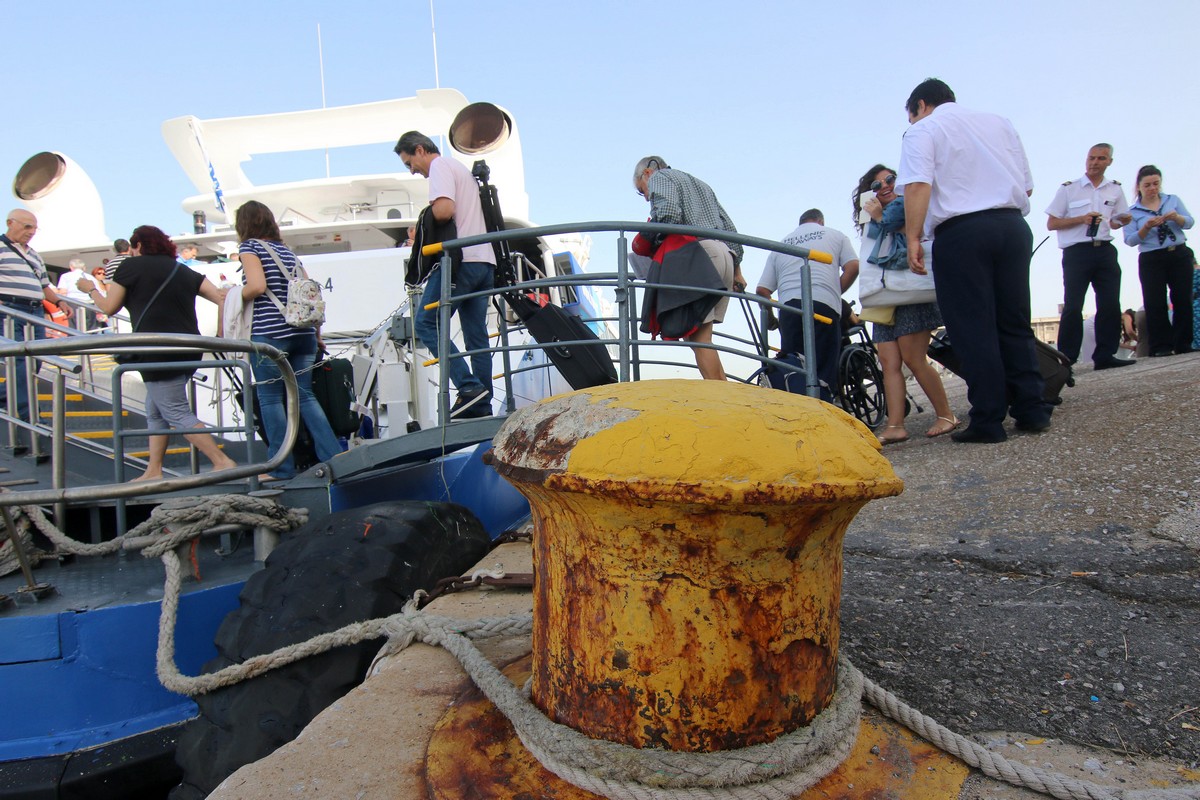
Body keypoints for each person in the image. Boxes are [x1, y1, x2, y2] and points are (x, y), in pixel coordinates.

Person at [898, 78, 1049, 444]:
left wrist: (914, 236)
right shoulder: (998, 122)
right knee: (1013, 320)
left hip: (962, 232)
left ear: (920, 105)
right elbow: (1026, 186)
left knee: (972, 327)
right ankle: (1032, 408)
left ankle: (988, 418)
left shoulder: (922, 131)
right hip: (1011, 224)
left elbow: (918, 184)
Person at [76, 225, 236, 480]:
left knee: (174, 409)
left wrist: (90, 289)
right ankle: (154, 470)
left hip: (156, 350)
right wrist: (219, 334)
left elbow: (109, 306)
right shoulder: (181, 269)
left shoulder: (128, 268)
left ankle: (222, 461)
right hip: (187, 349)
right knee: (155, 409)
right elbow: (221, 297)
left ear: (137, 245)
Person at [234, 200, 344, 480]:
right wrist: (317, 335)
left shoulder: (250, 248)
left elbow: (257, 286)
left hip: (271, 333)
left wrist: (233, 295)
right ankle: (333, 455)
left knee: (271, 399)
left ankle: (279, 467)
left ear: (244, 224)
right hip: (304, 334)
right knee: (305, 396)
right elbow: (311, 295)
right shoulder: (288, 253)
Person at [851, 166, 958, 443]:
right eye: (876, 184)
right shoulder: (870, 218)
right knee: (888, 361)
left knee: (913, 357)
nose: (885, 186)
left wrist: (878, 216)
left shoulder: (910, 202)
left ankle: (946, 414)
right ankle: (895, 424)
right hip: (885, 294)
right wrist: (872, 216)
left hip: (910, 290)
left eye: (890, 179)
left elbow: (911, 228)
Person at [394, 131, 495, 416]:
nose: (412, 170)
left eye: (409, 162)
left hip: (461, 262)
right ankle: (482, 404)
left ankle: (468, 388)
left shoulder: (440, 166)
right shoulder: (459, 169)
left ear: (420, 149)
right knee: (477, 336)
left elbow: (444, 211)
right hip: (484, 262)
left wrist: (428, 214)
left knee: (426, 323)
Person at [633, 156, 746, 380]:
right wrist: (737, 272)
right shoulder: (701, 185)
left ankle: (720, 398)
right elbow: (731, 230)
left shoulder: (661, 177)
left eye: (641, 191)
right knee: (703, 338)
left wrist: (648, 237)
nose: (646, 197)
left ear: (647, 173)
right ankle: (724, 391)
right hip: (724, 255)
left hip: (699, 256)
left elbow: (669, 215)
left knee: (699, 340)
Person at [1045, 144, 1135, 370]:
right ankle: (1066, 358)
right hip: (1077, 251)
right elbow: (1052, 223)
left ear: (1109, 162)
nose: (1095, 163)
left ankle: (1105, 354)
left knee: (1110, 304)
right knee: (1074, 305)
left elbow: (1115, 220)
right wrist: (1081, 219)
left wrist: (1123, 221)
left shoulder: (1114, 189)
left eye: (1101, 159)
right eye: (1091, 158)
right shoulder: (1069, 189)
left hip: (1104, 249)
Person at [756, 208, 858, 402]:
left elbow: (762, 290)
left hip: (790, 310)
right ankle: (826, 410)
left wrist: (770, 318)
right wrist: (836, 292)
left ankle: (800, 413)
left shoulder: (781, 245)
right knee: (823, 371)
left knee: (795, 368)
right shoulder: (835, 235)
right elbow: (853, 266)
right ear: (821, 221)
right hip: (823, 305)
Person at [0, 209, 73, 426]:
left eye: (33, 227)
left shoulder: (33, 254)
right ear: (10, 223)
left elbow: (43, 285)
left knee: (36, 360)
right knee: (20, 360)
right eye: (26, 226)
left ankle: (6, 395)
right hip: (11, 309)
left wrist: (59, 302)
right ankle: (26, 413)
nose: (30, 232)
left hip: (34, 311)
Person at [1123, 165, 1194, 356]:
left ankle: (1183, 343)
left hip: (1178, 253)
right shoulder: (1133, 212)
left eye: (1156, 184)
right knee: (1155, 302)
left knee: (1182, 299)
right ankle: (1161, 346)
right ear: (1139, 187)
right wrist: (1145, 228)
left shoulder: (1173, 200)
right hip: (1152, 257)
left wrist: (1177, 217)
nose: (1152, 188)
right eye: (1147, 185)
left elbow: (1189, 222)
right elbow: (1129, 240)